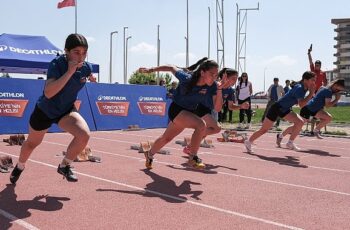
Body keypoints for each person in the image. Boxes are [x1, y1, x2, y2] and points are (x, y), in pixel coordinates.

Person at [10, 34, 96, 184]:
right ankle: (20, 166)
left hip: (65, 111)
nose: (80, 56)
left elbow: (88, 73)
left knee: (84, 135)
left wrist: (92, 77)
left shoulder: (86, 67)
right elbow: (49, 93)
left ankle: (64, 165)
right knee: (32, 143)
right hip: (45, 111)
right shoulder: (57, 64)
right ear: (66, 51)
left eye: (84, 52)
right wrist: (70, 71)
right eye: (76, 52)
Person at [138, 60, 233, 169]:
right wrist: (151, 69)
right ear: (202, 72)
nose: (214, 77)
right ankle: (192, 157)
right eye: (212, 74)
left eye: (216, 75)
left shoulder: (213, 86)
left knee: (166, 138)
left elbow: (217, 108)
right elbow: (171, 66)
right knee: (201, 124)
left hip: (189, 112)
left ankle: (149, 154)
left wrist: (220, 89)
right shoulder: (186, 78)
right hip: (176, 110)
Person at [244, 71, 316, 153]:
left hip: (285, 109)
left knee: (300, 122)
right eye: (312, 80)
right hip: (276, 108)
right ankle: (248, 142)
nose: (314, 82)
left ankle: (290, 142)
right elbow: (301, 105)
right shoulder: (300, 88)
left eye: (315, 80)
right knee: (264, 129)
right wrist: (311, 93)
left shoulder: (304, 88)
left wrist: (310, 93)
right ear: (305, 80)